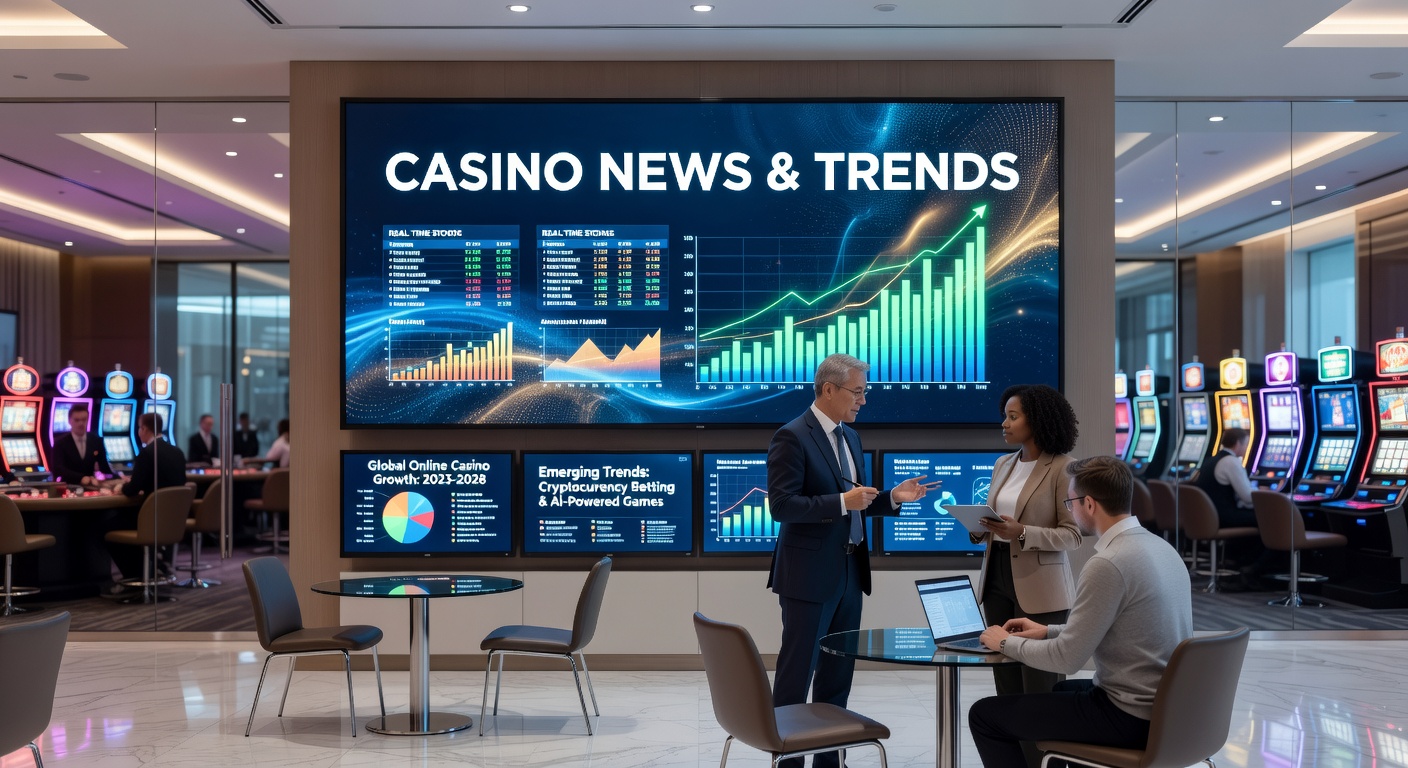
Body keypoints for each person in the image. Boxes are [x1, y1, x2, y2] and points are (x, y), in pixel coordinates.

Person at [767, 353, 938, 768]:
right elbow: (782, 506)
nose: (863, 400)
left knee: (837, 677)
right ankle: (787, 763)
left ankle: (830, 761)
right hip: (808, 577)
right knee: (796, 678)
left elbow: (856, 505)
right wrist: (841, 501)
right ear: (829, 389)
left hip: (849, 572)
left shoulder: (851, 437)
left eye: (865, 392)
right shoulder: (792, 436)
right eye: (858, 392)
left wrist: (892, 498)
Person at [968, 456, 1193, 768]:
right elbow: (1110, 627)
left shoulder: (1109, 563)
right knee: (1060, 691)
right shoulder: (1161, 549)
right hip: (1167, 710)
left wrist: (1004, 643)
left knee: (984, 715)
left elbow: (1068, 658)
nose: (1069, 510)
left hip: (1128, 716)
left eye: (1070, 502)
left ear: (1089, 504)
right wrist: (1046, 630)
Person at [969, 384, 1083, 702]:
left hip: (1041, 588)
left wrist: (1021, 533)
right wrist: (979, 527)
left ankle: (1043, 752)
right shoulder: (1002, 465)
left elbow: (1073, 535)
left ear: (1036, 421)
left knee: (1040, 684)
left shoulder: (1064, 468)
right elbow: (995, 523)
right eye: (1004, 416)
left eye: (1013, 416)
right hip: (996, 578)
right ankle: (1013, 751)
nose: (1004, 423)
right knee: (1005, 678)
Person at [103, 412, 189, 592]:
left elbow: (133, 489)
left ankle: (133, 575)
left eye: (139, 428)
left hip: (150, 518)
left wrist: (121, 486)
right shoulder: (177, 452)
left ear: (145, 429)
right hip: (170, 519)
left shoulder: (147, 453)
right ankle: (150, 569)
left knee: (103, 527)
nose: (138, 432)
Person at [1194, 427, 1256, 528]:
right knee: (1266, 517)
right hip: (1223, 517)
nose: (1246, 448)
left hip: (1207, 515)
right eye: (1246, 444)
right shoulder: (1231, 462)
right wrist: (1266, 495)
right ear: (1237, 443)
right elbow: (1248, 498)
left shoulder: (1210, 460)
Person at [50, 405, 113, 485]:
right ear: (69, 421)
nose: (81, 423)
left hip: (91, 488)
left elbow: (104, 467)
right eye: (77, 420)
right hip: (68, 488)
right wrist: (81, 478)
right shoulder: (60, 442)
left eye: (84, 420)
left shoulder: (96, 440)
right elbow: (58, 469)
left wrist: (118, 476)